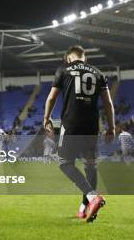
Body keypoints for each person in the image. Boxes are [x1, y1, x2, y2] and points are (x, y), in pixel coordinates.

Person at [43, 45, 115, 222]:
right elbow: (108, 104)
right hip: (92, 125)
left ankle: (92, 197)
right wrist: (111, 128)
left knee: (64, 163)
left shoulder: (64, 70)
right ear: (85, 58)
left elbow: (51, 97)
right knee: (90, 165)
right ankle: (85, 208)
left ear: (68, 58)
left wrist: (46, 118)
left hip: (71, 124)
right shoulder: (98, 73)